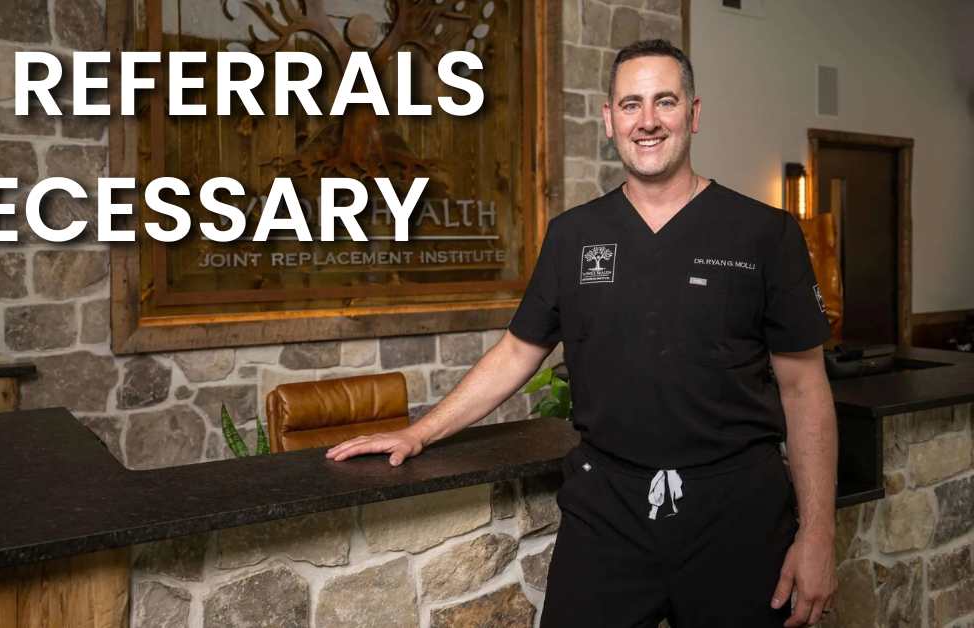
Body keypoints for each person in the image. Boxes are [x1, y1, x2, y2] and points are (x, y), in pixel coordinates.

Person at [326, 39, 839, 627]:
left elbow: (805, 388)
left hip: (739, 512)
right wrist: (420, 432)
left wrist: (818, 533)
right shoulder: (573, 236)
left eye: (665, 102)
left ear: (694, 113)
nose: (647, 121)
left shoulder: (765, 234)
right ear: (609, 119)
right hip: (608, 510)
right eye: (631, 105)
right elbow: (517, 351)